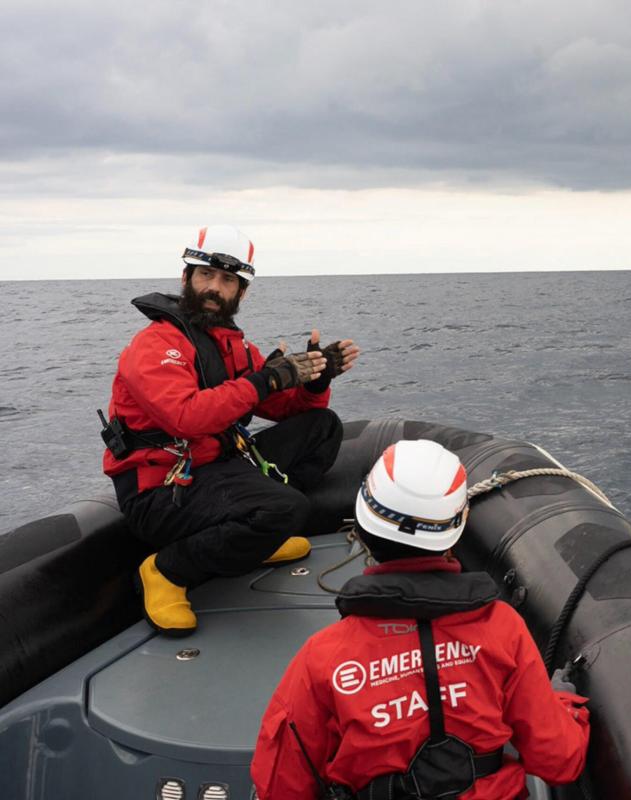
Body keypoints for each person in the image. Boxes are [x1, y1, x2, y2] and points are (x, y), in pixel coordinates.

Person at [250, 440, 590, 799]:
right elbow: (559, 760)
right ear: (456, 531)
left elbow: (279, 786)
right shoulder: (502, 629)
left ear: (363, 528)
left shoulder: (323, 657)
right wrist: (563, 702)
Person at [101, 225, 360, 637]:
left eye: (227, 281)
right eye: (205, 275)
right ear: (186, 278)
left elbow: (282, 408)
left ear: (241, 293)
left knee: (323, 428)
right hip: (161, 491)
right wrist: (267, 379)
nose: (213, 287)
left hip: (218, 468)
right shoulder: (155, 345)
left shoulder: (236, 347)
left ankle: (255, 536)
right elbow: (185, 418)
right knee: (287, 508)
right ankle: (166, 570)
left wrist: (313, 380)